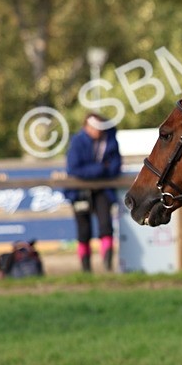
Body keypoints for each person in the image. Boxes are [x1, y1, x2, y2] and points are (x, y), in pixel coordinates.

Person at [66, 113, 122, 272]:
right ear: (86, 127)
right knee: (83, 231)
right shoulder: (77, 141)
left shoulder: (110, 140)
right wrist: (100, 168)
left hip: (103, 189)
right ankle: (86, 271)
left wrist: (94, 170)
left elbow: (115, 167)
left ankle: (107, 267)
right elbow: (74, 168)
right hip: (79, 191)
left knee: (106, 226)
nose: (97, 131)